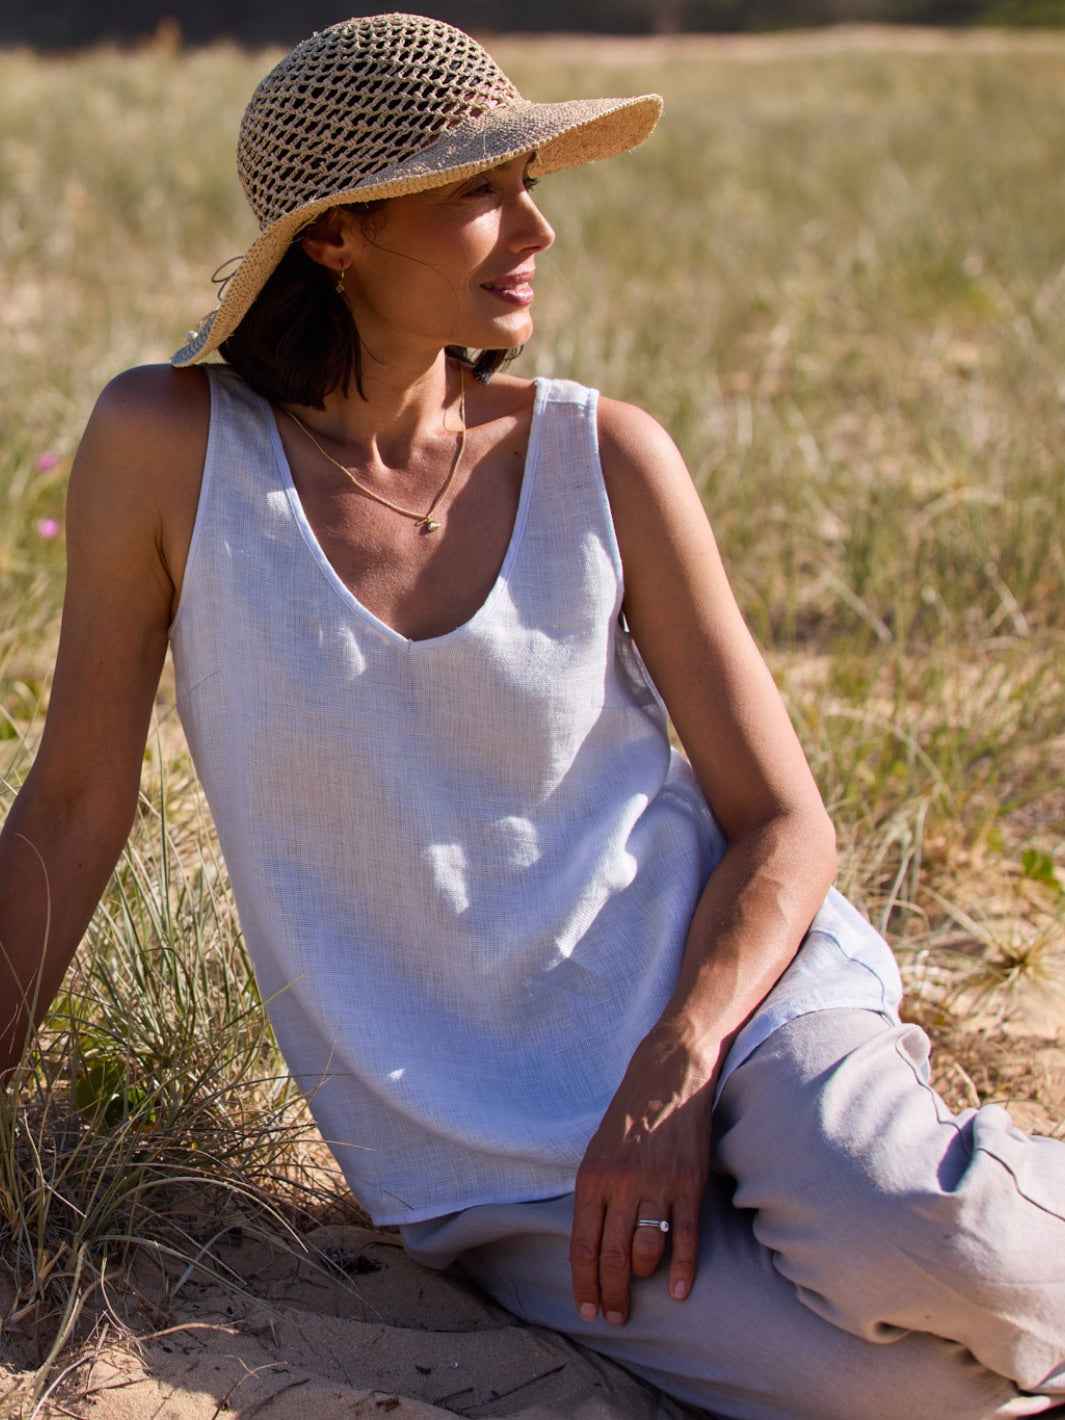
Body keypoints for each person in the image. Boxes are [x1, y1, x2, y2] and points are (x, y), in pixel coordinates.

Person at [0, 15, 1062, 1419]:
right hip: (482, 1149)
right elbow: (77, 799)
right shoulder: (167, 446)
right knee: (892, 1398)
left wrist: (671, 1069)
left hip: (732, 1016)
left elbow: (781, 821)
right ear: (334, 238)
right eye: (477, 191)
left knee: (952, 1249)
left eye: (530, 182)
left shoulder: (601, 454)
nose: (536, 229)